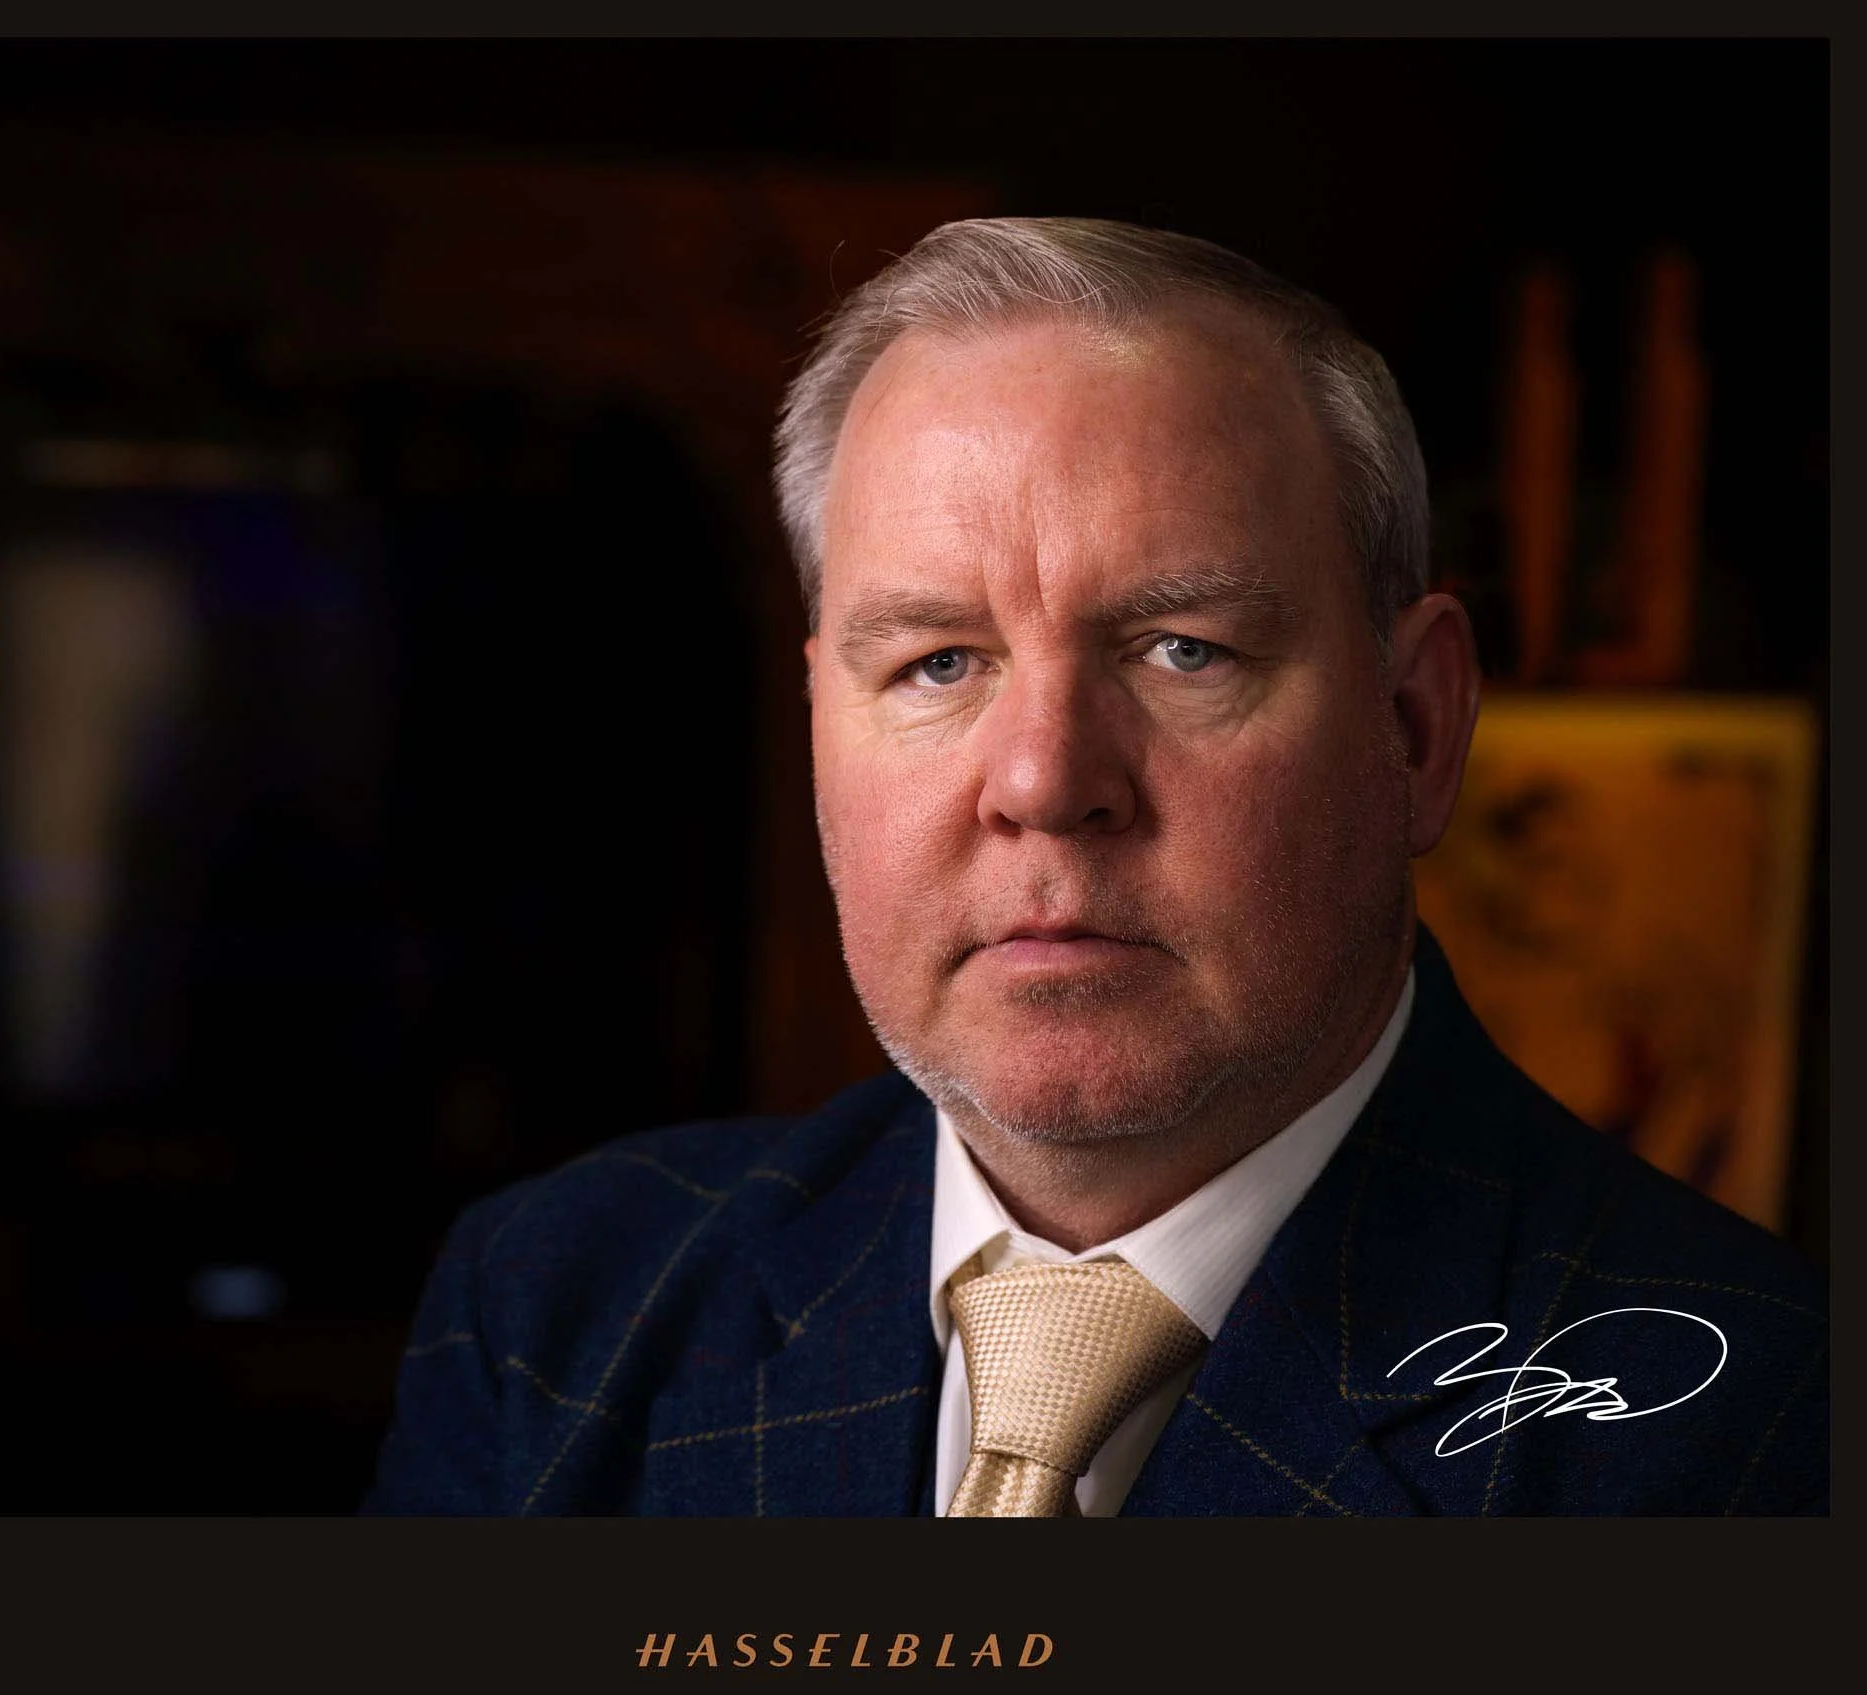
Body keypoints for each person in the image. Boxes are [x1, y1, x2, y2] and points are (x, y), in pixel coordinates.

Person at [363, 218, 1827, 1516]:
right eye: (939, 662)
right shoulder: (553, 1317)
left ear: (1415, 728)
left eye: (1184, 649)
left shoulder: (1752, 1438)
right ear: (817, 727)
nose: (1044, 783)